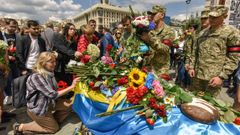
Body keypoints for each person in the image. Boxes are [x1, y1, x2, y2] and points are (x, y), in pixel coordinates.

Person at [13, 52, 80, 134]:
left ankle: (49, 122)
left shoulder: (49, 73)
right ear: (43, 63)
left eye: (55, 61)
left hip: (49, 103)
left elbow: (54, 90)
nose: (55, 64)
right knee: (54, 129)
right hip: (38, 109)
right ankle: (20, 127)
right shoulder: (36, 76)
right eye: (51, 62)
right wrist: (72, 87)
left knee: (71, 104)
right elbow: (52, 95)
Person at [188, 6, 240, 97]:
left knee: (209, 104)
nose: (211, 19)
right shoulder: (202, 33)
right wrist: (191, 67)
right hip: (197, 76)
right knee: (194, 101)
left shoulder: (232, 33)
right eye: (210, 16)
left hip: (213, 78)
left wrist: (222, 76)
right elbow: (195, 51)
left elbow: (234, 57)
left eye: (215, 17)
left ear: (225, 16)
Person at [147, 5, 175, 76]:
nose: (152, 16)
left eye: (154, 14)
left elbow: (164, 48)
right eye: (151, 14)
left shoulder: (169, 31)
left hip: (161, 69)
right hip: (148, 66)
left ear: (162, 15)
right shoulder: (150, 29)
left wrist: (150, 33)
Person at [0, 18, 21, 105]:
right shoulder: (2, 35)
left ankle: (15, 97)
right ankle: (7, 97)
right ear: (6, 25)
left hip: (15, 62)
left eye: (15, 27)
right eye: (11, 26)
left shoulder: (17, 36)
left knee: (16, 81)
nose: (13, 28)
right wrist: (7, 56)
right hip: (5, 63)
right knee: (7, 81)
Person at [0, 40, 11, 124]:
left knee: (1, 94)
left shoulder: (1, 43)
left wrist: (6, 66)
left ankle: (2, 113)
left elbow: (4, 55)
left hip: (2, 71)